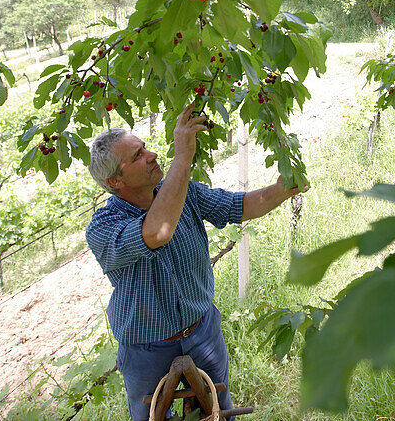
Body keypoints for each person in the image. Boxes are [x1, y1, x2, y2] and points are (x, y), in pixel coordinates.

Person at [85, 105, 306, 421]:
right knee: (150, 417)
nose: (151, 155)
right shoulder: (103, 226)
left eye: (145, 147)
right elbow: (157, 231)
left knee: (218, 409)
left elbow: (237, 206)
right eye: (136, 156)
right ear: (116, 181)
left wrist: (284, 189)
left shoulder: (182, 192)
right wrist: (183, 157)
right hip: (146, 348)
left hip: (202, 331)